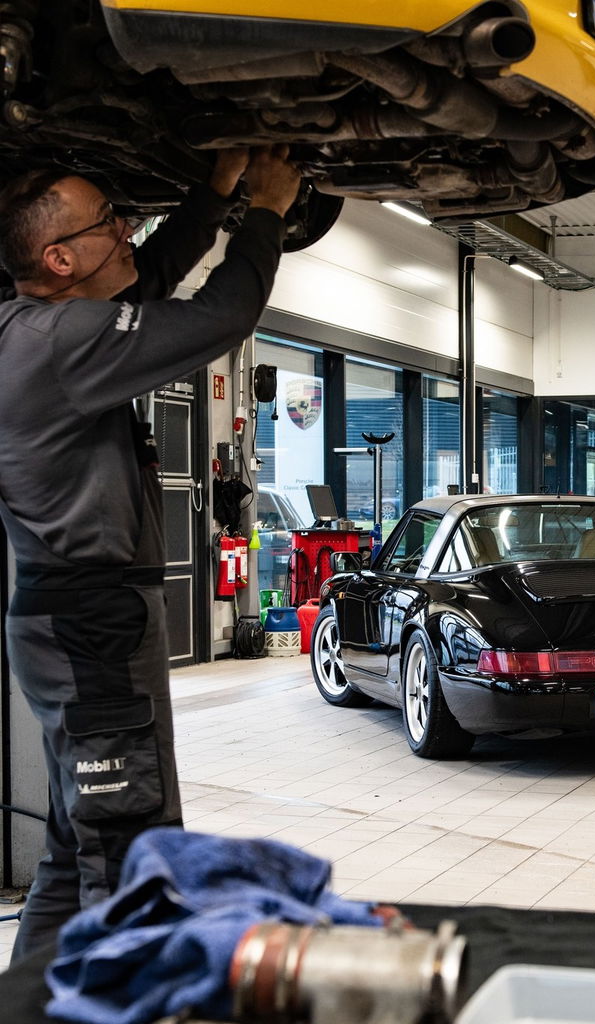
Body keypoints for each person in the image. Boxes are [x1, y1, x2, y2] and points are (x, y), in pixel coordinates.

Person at [0, 145, 301, 960]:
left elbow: (148, 281)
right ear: (59, 260)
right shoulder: (61, 342)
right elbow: (217, 319)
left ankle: (31, 1006)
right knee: (130, 850)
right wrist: (267, 212)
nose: (126, 227)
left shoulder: (39, 327)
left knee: (79, 849)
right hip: (92, 625)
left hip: (69, 616)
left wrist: (211, 193)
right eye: (107, 221)